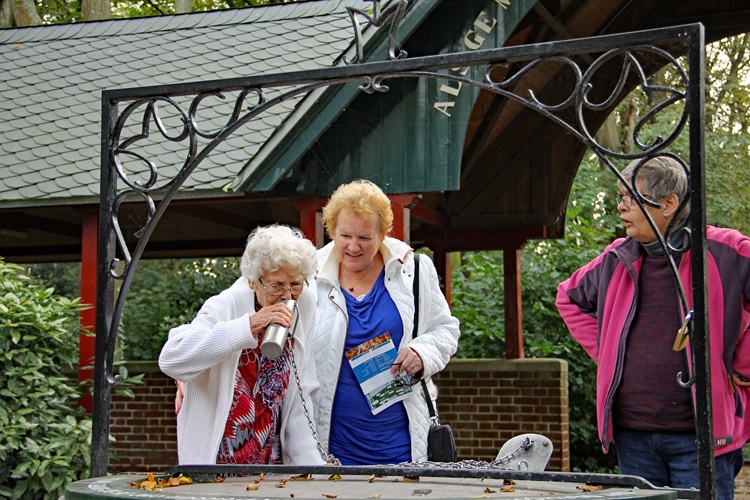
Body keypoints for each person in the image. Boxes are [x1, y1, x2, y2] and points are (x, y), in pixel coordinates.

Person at [555, 155, 750, 498]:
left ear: (669, 203)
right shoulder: (616, 258)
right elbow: (567, 298)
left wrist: (742, 359)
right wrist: (610, 351)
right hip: (634, 437)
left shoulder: (724, 250)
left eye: (630, 198)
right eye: (620, 197)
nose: (621, 207)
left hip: (701, 436)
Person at [312, 179, 461, 465]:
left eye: (365, 238)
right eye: (345, 235)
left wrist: (423, 352)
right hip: (331, 443)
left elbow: (446, 329)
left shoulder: (414, 270)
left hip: (400, 441)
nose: (353, 246)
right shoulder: (309, 276)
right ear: (331, 230)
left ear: (382, 234)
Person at [159, 224, 325, 466]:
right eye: (276, 285)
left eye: (296, 284)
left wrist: (311, 469)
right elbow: (172, 359)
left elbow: (300, 392)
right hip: (214, 465)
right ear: (251, 281)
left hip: (270, 465)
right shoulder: (225, 305)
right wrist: (249, 326)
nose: (287, 296)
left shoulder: (303, 301)